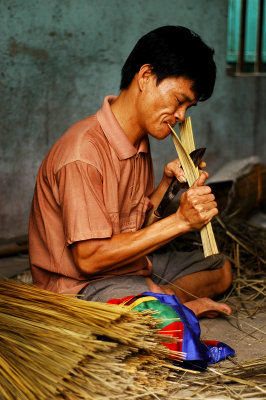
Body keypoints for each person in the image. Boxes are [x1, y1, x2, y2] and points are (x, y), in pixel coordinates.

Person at [29, 26, 232, 318]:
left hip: (128, 268)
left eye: (189, 107)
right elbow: (89, 259)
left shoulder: (137, 143)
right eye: (179, 101)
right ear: (146, 76)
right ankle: (165, 309)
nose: (181, 117)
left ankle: (162, 305)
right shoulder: (82, 153)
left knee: (219, 267)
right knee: (143, 318)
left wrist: (167, 186)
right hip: (80, 289)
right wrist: (181, 222)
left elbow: (134, 228)